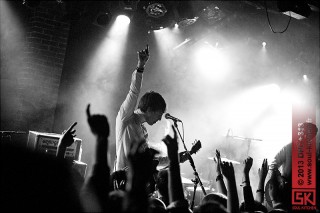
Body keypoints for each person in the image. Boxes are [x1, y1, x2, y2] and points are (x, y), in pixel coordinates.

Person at [114, 45, 167, 171]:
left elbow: (149, 160)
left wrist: (179, 157)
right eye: (159, 114)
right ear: (149, 109)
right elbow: (134, 92)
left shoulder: (143, 131)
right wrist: (140, 67)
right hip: (121, 183)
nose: (159, 119)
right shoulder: (126, 118)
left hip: (136, 186)